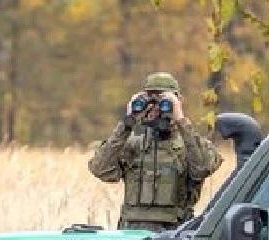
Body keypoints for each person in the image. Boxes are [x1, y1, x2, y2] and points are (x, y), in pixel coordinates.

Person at [88, 72, 223, 231]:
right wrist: (127, 122)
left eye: (162, 102)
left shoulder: (191, 145)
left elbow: (202, 168)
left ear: (177, 103)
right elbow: (100, 169)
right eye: (150, 101)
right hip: (131, 235)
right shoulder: (131, 145)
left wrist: (180, 119)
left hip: (174, 233)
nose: (155, 109)